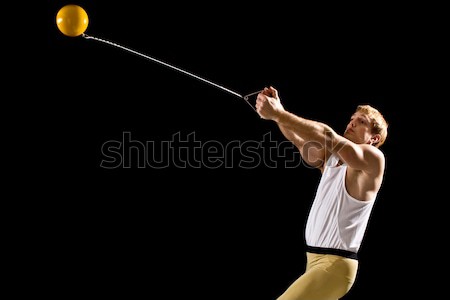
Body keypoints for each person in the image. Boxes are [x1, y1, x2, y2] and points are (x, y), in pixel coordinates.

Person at [255, 86, 388, 300]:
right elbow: (300, 140)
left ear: (374, 138)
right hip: (314, 261)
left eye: (361, 121)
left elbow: (327, 135)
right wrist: (276, 114)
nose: (352, 122)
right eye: (353, 118)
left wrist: (278, 113)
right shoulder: (331, 160)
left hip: (335, 265)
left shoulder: (373, 159)